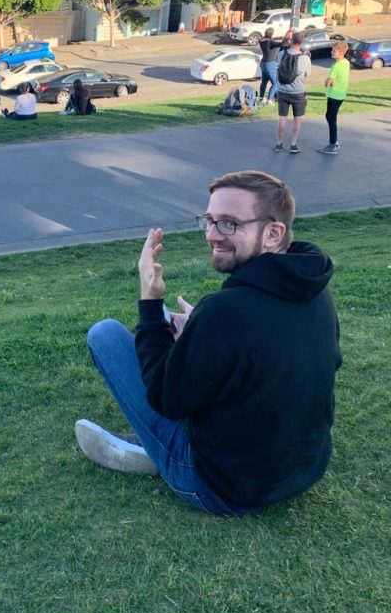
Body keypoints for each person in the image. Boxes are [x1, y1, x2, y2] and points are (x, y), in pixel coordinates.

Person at [75, 170, 342, 516]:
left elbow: (167, 400)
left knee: (105, 335)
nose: (213, 235)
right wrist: (198, 336)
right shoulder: (315, 290)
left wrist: (151, 303)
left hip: (222, 487)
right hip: (305, 469)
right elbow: (273, 357)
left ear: (273, 233)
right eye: (210, 220)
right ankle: (153, 449)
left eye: (230, 223)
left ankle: (156, 453)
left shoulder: (224, 313)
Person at [275, 30, 311, 153]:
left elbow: (278, 69)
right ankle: (293, 144)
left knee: (282, 118)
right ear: (301, 42)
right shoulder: (305, 58)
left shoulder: (281, 54)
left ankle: (279, 143)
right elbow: (307, 75)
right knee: (297, 120)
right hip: (298, 92)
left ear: (291, 41)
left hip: (282, 91)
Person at [319, 39, 350, 155]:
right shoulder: (346, 63)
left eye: (334, 50)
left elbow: (327, 82)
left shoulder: (335, 66)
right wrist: (332, 81)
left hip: (334, 95)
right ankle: (335, 140)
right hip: (341, 95)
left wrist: (328, 81)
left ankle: (332, 144)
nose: (332, 52)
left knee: (330, 118)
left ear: (341, 52)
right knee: (332, 117)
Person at [258, 27, 281, 104]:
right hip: (270, 64)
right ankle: (269, 99)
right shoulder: (270, 42)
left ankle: (261, 98)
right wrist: (286, 39)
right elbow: (280, 44)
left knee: (264, 81)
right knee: (276, 83)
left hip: (263, 63)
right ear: (271, 34)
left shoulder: (262, 41)